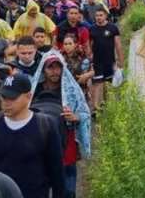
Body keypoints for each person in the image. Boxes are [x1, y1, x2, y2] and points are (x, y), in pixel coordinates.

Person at [0, 74, 65, 198]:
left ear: (28, 97)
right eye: (3, 97)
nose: (6, 103)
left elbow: (56, 170)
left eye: (12, 98)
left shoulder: (45, 126)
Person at [30, 53, 92, 198]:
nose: (54, 71)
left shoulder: (71, 89)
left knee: (67, 188)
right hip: (40, 142)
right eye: (50, 68)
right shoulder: (35, 90)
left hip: (66, 140)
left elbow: (84, 112)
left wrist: (75, 117)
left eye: (58, 67)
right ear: (44, 70)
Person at [89, 7, 123, 115]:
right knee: (97, 83)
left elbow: (118, 45)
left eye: (101, 15)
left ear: (105, 16)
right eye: (97, 15)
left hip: (110, 61)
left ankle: (107, 104)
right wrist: (90, 59)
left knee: (108, 83)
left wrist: (121, 61)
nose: (98, 17)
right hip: (97, 61)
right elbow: (89, 46)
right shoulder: (92, 29)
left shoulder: (113, 28)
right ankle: (95, 107)